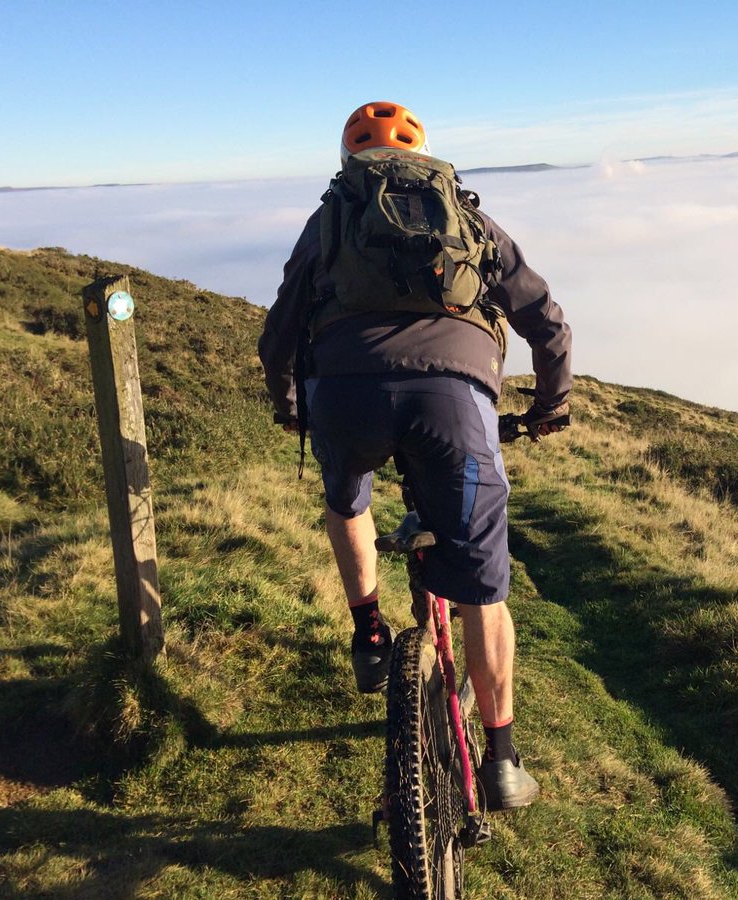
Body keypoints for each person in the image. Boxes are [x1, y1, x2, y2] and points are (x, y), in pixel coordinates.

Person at [258, 101, 571, 810]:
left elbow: (278, 333)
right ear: (426, 156)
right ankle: (501, 760)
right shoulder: (467, 218)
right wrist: (551, 405)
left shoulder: (332, 218)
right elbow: (546, 322)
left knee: (348, 500)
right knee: (484, 592)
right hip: (453, 406)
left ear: (349, 163)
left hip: (342, 397)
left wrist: (290, 405)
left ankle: (369, 634)